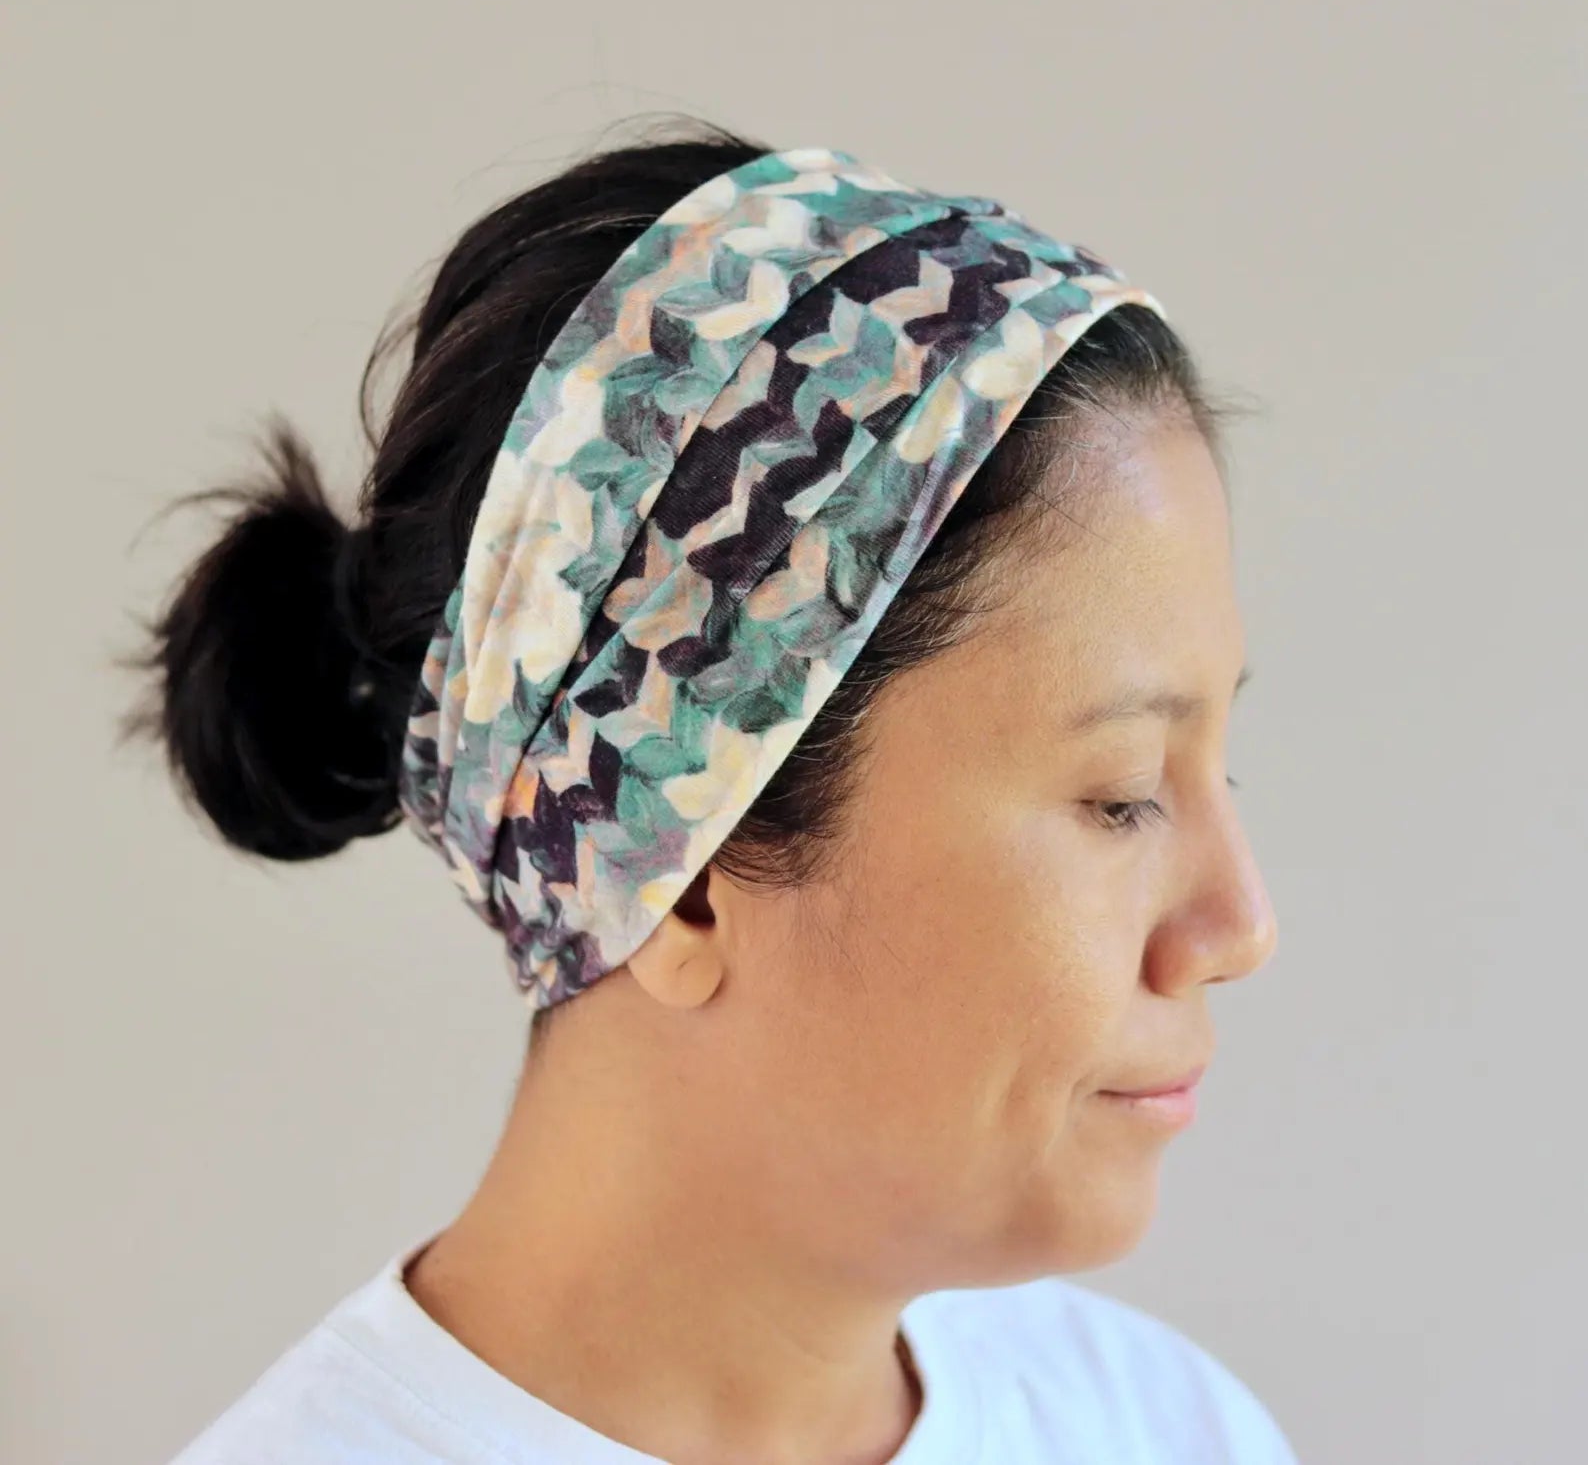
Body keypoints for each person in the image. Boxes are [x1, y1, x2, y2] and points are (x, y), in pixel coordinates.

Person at [123, 118, 1296, 1464]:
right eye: (1124, 795)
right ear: (679, 873)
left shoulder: (1169, 1430)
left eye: (1217, 766)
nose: (1241, 925)